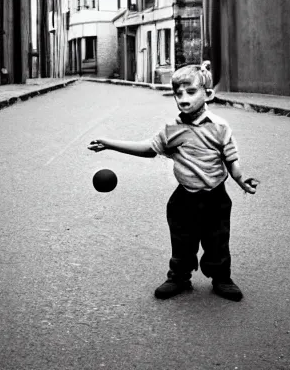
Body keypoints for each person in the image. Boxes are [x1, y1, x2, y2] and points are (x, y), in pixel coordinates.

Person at [88, 61, 258, 301]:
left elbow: (231, 159)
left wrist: (241, 180)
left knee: (217, 240)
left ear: (208, 94)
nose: (183, 98)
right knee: (182, 241)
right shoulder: (172, 130)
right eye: (178, 93)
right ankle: (179, 277)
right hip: (184, 197)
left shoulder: (220, 128)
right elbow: (148, 148)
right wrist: (109, 143)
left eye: (191, 92)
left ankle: (221, 278)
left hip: (216, 196)